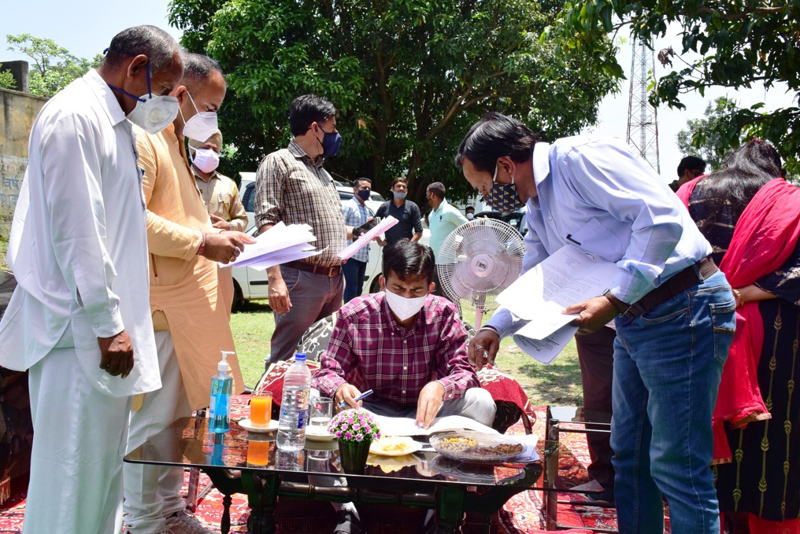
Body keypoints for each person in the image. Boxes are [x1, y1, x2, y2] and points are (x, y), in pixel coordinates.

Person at [457, 112, 735, 534]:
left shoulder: (580, 159)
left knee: (678, 464)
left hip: (683, 307)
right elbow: (538, 275)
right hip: (635, 319)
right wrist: (496, 326)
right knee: (629, 455)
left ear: (506, 167)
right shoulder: (539, 207)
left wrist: (614, 297)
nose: (486, 198)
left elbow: (659, 218)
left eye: (483, 187)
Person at [0, 26, 183, 534]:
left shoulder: (116, 122)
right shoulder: (74, 116)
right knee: (70, 485)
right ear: (136, 66)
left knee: (100, 483)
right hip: (80, 335)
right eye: (165, 89)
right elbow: (79, 234)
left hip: (101, 333)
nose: (167, 102)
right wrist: (109, 326)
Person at [124, 52, 252, 534]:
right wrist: (202, 239)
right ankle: (142, 520)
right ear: (181, 95)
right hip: (160, 312)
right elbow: (132, 219)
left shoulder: (176, 142)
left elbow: (172, 212)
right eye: (210, 106)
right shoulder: (145, 140)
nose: (213, 118)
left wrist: (211, 226)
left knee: (178, 421)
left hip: (190, 315)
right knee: (150, 425)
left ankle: (169, 509)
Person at [678, 140, 800, 533]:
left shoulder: (692, 192)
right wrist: (743, 293)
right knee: (774, 441)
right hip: (774, 331)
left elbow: (666, 253)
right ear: (774, 171)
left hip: (693, 322)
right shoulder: (790, 200)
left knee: (690, 431)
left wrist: (717, 292)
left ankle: (702, 520)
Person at [313, 239, 495, 427]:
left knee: (481, 402)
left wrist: (441, 387)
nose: (406, 297)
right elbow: (327, 372)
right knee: (313, 397)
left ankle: (457, 453)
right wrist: (340, 388)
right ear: (382, 283)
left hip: (428, 411)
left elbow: (463, 371)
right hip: (367, 409)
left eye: (416, 290)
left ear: (430, 289)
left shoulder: (444, 314)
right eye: (398, 288)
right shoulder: (354, 315)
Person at [254, 94, 347, 364]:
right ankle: (272, 405)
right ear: (315, 128)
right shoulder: (278, 162)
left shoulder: (322, 172)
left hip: (333, 280)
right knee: (286, 358)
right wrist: (275, 278)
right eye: (332, 129)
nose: (335, 135)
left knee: (322, 357)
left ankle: (310, 408)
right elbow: (266, 221)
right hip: (300, 278)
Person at [189, 129, 248, 313]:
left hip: (221, 260)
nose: (211, 153)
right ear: (194, 149)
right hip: (191, 255)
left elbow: (242, 220)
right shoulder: (182, 179)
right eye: (206, 148)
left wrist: (229, 226)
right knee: (192, 310)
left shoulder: (228, 184)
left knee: (221, 310)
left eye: (215, 150)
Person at [425, 181, 468, 300]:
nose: (426, 197)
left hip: (449, 262)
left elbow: (468, 226)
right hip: (435, 262)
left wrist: (460, 242)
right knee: (433, 297)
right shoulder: (431, 214)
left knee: (450, 296)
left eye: (427, 194)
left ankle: (456, 318)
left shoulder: (449, 211)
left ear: (433, 195)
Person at [341, 177, 372, 303]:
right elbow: (340, 228)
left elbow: (364, 231)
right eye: (364, 188)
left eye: (369, 188)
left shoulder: (365, 209)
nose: (367, 191)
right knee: (351, 290)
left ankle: (355, 317)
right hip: (351, 256)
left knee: (358, 291)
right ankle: (347, 319)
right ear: (355, 189)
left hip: (363, 255)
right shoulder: (348, 206)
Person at [375, 177, 423, 246]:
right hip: (389, 251)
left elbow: (419, 232)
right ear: (392, 189)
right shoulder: (385, 206)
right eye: (398, 186)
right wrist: (379, 241)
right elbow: (374, 225)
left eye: (404, 187)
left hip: (406, 253)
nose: (401, 188)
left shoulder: (412, 207)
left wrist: (408, 247)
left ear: (407, 190)